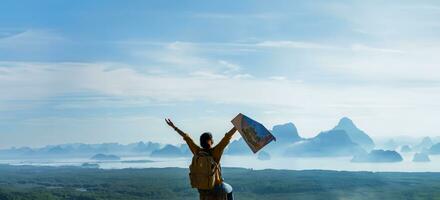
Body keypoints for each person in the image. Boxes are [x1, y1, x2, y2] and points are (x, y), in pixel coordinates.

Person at [165, 118, 237, 200]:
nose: (213, 140)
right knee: (230, 189)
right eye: (211, 139)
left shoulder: (197, 151)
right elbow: (227, 137)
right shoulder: (215, 152)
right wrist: (236, 127)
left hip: (202, 189)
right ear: (209, 141)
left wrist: (174, 127)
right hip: (215, 187)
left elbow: (186, 137)